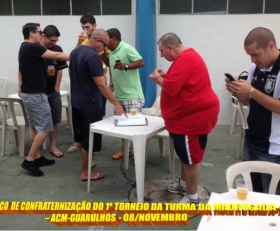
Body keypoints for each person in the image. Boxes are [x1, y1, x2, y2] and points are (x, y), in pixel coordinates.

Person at [149, 33, 220, 204]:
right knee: (185, 156)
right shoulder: (184, 59)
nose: (161, 55)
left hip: (192, 119)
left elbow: (171, 88)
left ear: (170, 48)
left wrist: (158, 79)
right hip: (184, 118)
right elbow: (179, 83)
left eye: (161, 51)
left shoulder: (186, 59)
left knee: (191, 159)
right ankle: (183, 185)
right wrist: (165, 77)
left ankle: (192, 195)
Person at [225, 27, 280, 195]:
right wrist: (236, 91)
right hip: (251, 141)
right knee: (251, 195)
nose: (252, 60)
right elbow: (250, 101)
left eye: (256, 54)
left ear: (271, 46)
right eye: (249, 55)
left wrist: (252, 91)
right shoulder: (254, 67)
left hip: (273, 149)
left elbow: (255, 95)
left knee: (271, 201)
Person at [69, 28, 126, 181]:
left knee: (82, 136)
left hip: (76, 101)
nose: (106, 48)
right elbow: (101, 85)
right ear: (97, 41)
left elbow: (73, 75)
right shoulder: (93, 56)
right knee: (90, 139)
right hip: (90, 104)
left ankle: (86, 165)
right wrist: (116, 104)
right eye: (105, 44)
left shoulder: (75, 52)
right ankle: (85, 172)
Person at [18, 23, 69, 176]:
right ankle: (30, 159)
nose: (42, 34)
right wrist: (81, 54)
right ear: (31, 33)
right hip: (34, 95)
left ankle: (38, 156)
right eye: (40, 32)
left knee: (34, 126)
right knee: (46, 127)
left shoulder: (26, 47)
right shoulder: (32, 47)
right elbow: (57, 56)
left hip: (32, 93)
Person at [67, 13, 111, 154]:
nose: (85, 29)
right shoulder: (82, 44)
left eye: (87, 27)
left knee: (96, 117)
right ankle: (82, 144)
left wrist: (100, 53)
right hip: (84, 87)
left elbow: (109, 61)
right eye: (83, 27)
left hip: (98, 83)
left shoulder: (103, 38)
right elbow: (75, 58)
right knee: (82, 120)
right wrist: (80, 44)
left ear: (94, 26)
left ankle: (91, 148)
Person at [104, 28, 145, 160]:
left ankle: (140, 155)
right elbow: (110, 66)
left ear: (114, 38)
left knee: (135, 128)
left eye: (106, 40)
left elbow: (141, 62)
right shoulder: (112, 52)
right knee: (122, 127)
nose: (105, 43)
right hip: (120, 97)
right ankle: (126, 149)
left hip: (132, 96)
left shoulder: (127, 48)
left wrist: (125, 66)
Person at [41, 25, 68, 158]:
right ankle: (36, 150)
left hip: (52, 91)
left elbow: (60, 69)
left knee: (54, 120)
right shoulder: (35, 48)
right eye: (51, 40)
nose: (53, 43)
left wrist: (57, 86)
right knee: (38, 121)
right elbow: (23, 69)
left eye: (55, 41)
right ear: (43, 36)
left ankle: (53, 146)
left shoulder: (57, 49)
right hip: (38, 91)